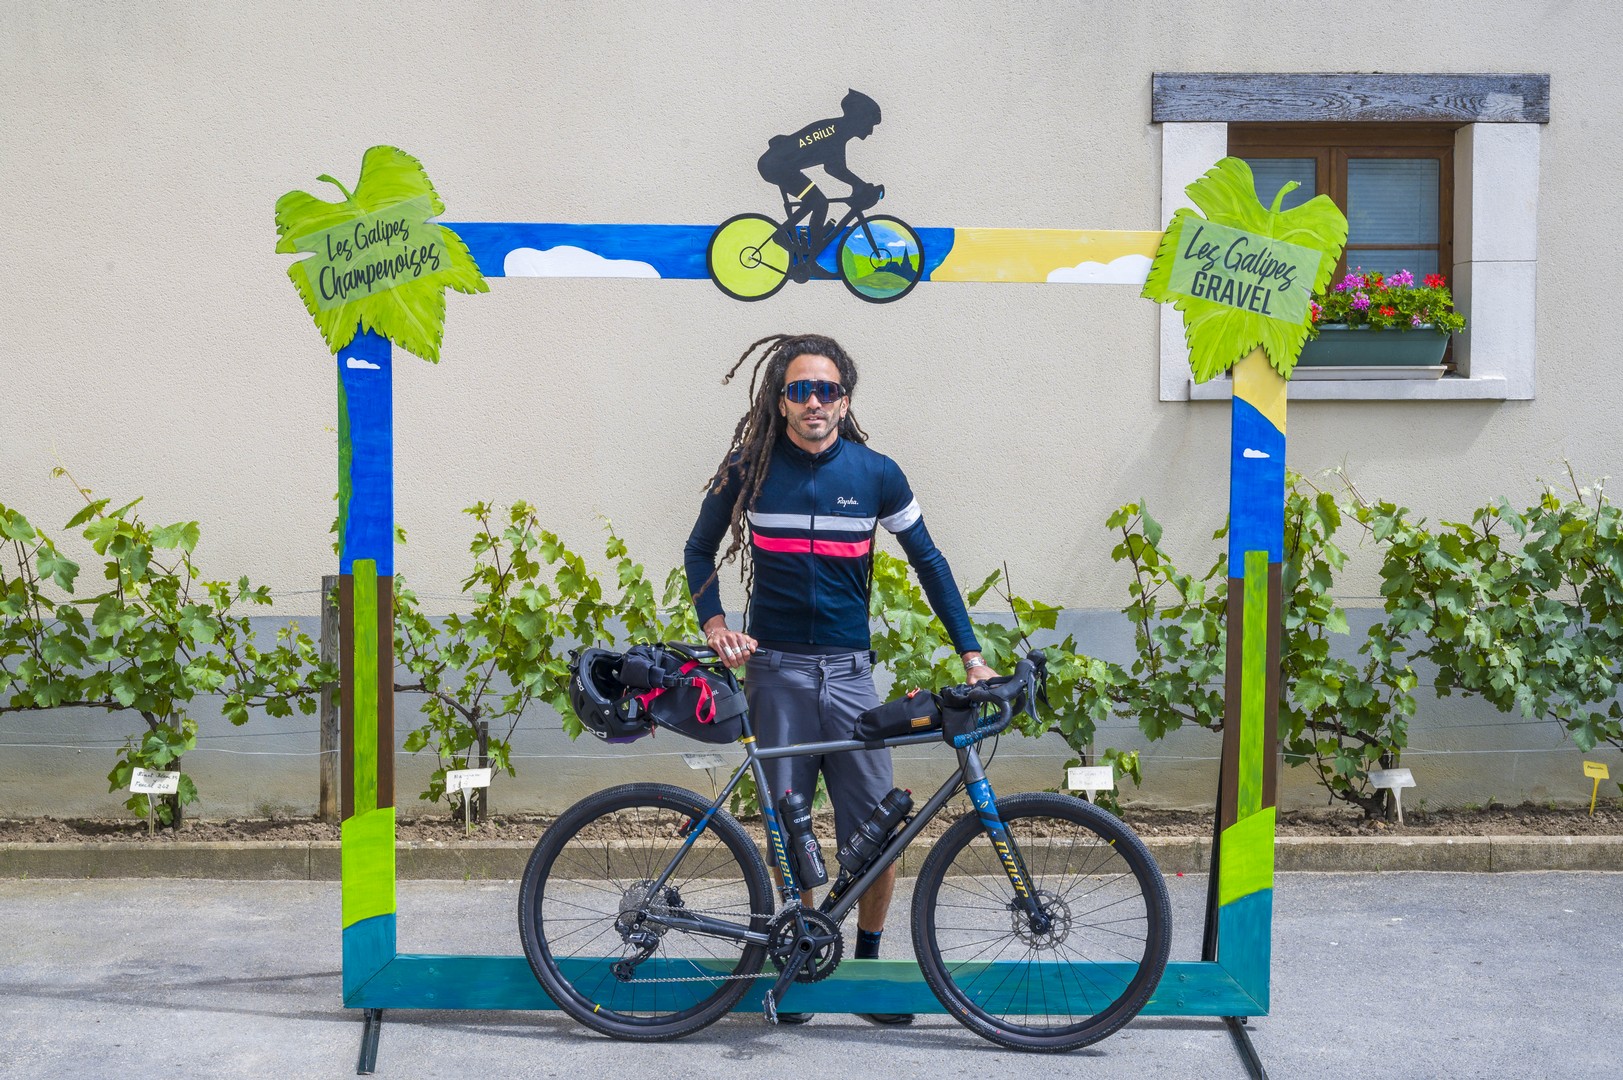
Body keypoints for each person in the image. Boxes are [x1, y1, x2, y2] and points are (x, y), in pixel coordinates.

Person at [685, 332, 997, 1026]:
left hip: (851, 676)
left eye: (826, 390)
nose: (813, 402)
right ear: (781, 400)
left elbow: (930, 562)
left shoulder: (877, 474)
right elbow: (698, 549)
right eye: (799, 390)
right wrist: (715, 625)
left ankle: (866, 966)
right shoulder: (748, 469)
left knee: (879, 831)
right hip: (776, 673)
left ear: (845, 400)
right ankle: (799, 960)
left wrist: (972, 654)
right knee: (787, 831)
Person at [757, 89, 883, 274]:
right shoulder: (835, 132)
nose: (870, 131)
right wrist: (859, 185)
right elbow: (834, 168)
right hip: (777, 166)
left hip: (780, 165)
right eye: (870, 124)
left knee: (816, 202)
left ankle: (794, 241)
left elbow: (833, 166)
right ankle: (800, 252)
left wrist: (858, 184)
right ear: (858, 119)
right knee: (819, 202)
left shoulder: (836, 130)